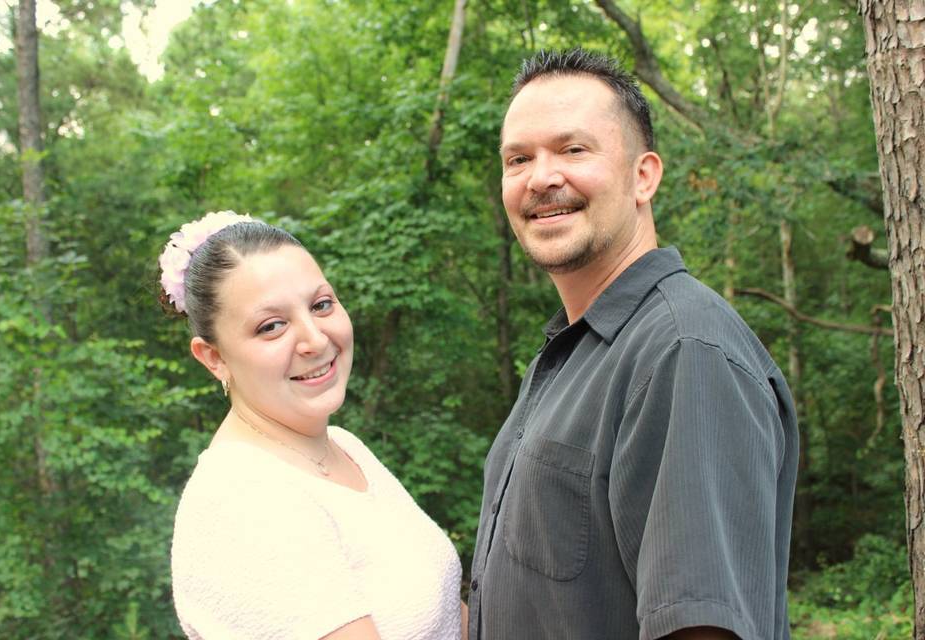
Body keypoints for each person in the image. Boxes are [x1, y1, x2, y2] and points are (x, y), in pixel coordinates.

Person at [467, 49, 799, 640]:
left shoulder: (683, 351)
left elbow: (702, 626)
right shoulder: (575, 354)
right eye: (519, 158)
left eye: (573, 150)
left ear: (643, 175)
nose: (542, 177)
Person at [160, 211, 466, 640]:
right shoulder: (239, 503)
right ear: (214, 358)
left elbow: (448, 615)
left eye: (321, 305)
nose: (316, 339)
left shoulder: (344, 447)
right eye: (272, 326)